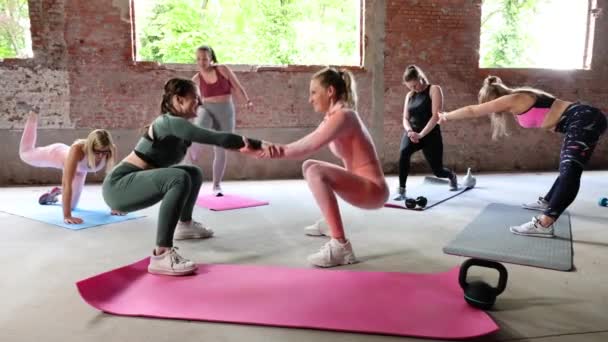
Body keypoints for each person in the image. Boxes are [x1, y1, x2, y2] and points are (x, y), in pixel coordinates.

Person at [102, 78, 266, 276]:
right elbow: (218, 138)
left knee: (192, 172)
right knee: (178, 177)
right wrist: (260, 145)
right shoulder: (169, 123)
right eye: (195, 98)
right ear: (179, 100)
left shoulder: (181, 127)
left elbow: (219, 142)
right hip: (119, 186)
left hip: (132, 184)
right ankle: (161, 254)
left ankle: (185, 225)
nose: (200, 102)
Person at [438, 75, 607, 237]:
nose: (490, 109)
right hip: (582, 119)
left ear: (494, 98)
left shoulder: (513, 99)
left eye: (488, 104)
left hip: (583, 118)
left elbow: (472, 111)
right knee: (568, 168)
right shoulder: (519, 100)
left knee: (570, 169)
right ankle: (548, 202)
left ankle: (544, 224)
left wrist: (446, 116)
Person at [257, 67, 389, 268]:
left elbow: (305, 148)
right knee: (310, 165)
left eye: (313, 92)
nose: (310, 99)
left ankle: (340, 246)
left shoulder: (344, 116)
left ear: (330, 92)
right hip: (363, 187)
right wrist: (265, 148)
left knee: (314, 170)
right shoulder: (332, 117)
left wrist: (270, 150)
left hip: (373, 191)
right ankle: (330, 222)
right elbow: (302, 144)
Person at [19, 111, 118, 224]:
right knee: (25, 154)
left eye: (104, 152)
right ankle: (33, 116)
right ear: (90, 147)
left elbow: (113, 181)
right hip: (56, 154)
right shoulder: (77, 150)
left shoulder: (111, 150)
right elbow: (66, 183)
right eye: (97, 151)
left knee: (72, 206)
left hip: (80, 171)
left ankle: (55, 192)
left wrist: (116, 206)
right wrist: (67, 216)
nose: (101, 156)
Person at [189, 45, 254, 196]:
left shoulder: (223, 69)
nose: (202, 61)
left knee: (222, 147)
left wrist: (247, 101)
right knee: (201, 120)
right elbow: (190, 100)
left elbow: (238, 87)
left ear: (211, 58)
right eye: (198, 59)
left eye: (205, 58)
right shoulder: (196, 79)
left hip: (226, 110)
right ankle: (193, 149)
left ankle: (216, 185)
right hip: (206, 108)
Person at [394, 65, 457, 201]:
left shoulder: (434, 89)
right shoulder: (410, 95)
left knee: (438, 171)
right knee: (404, 153)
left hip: (430, 134)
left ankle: (451, 175)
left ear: (421, 78)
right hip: (413, 132)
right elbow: (405, 118)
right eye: (410, 87)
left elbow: (436, 116)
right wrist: (410, 131)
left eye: (415, 85)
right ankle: (402, 190)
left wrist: (421, 135)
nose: (413, 89)